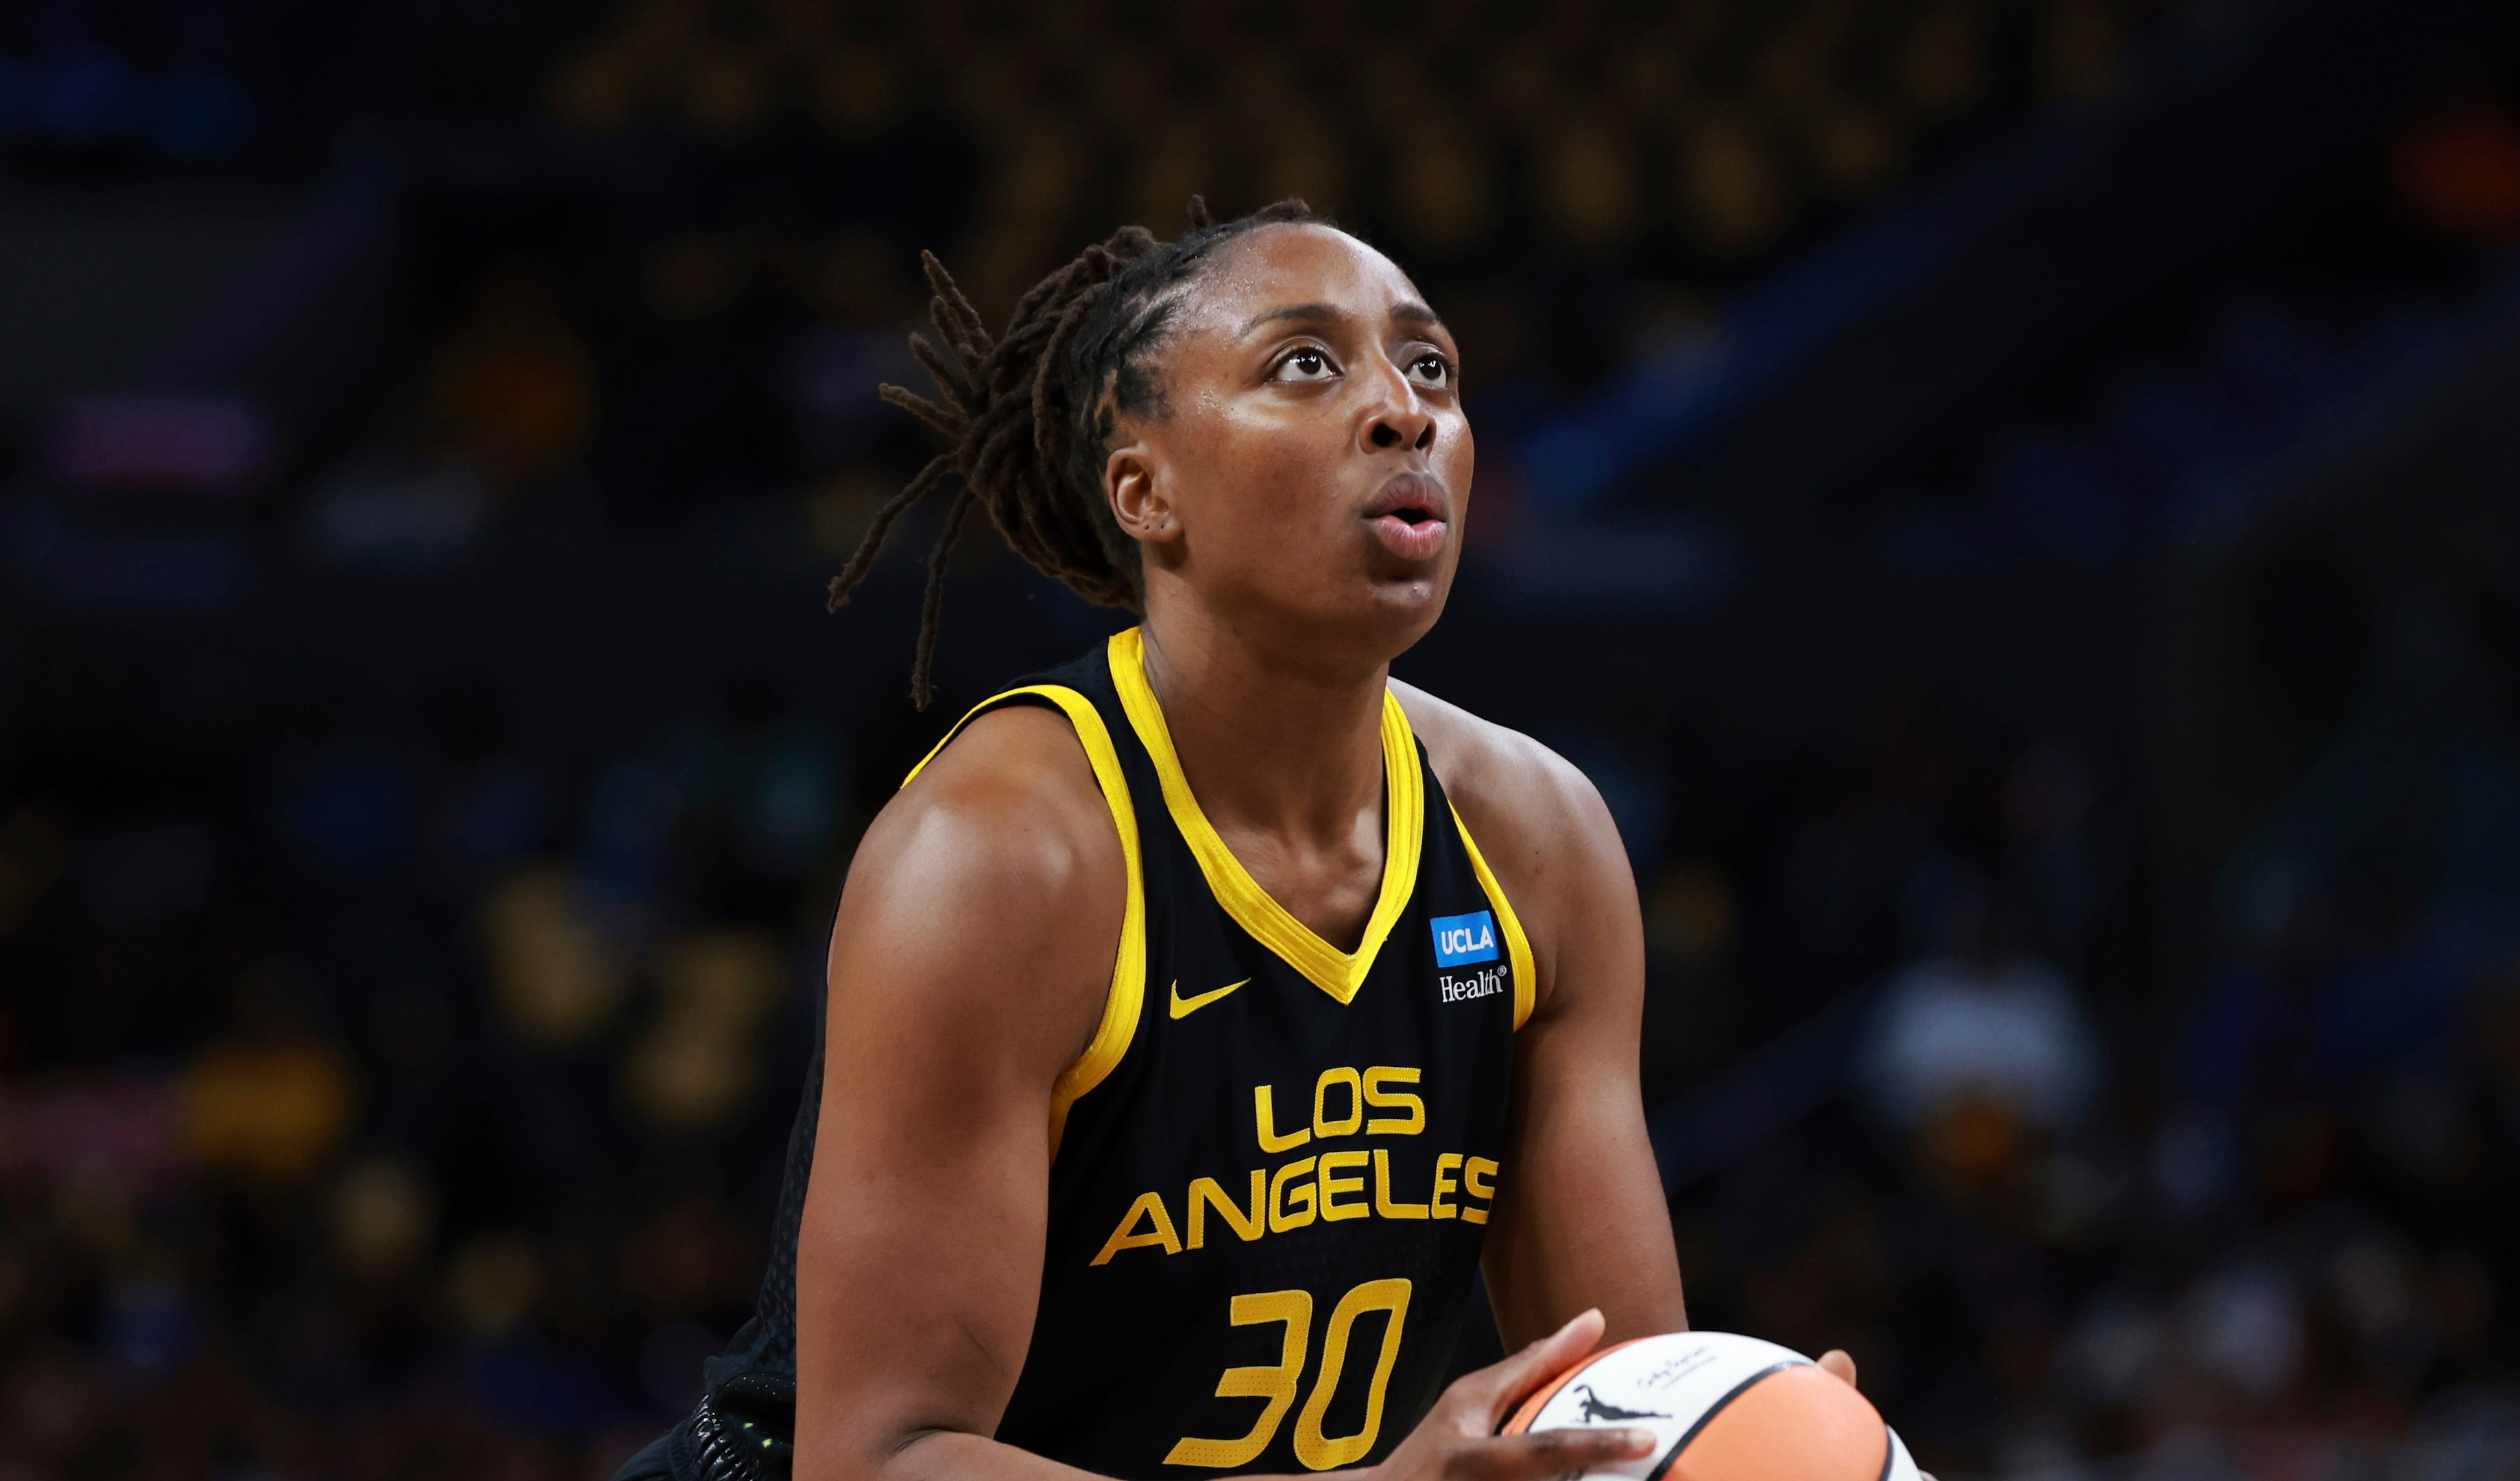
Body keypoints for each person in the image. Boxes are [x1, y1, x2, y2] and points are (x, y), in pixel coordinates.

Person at [621, 198, 1851, 1481]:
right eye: (1305, 365)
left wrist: (1740, 1431)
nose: (1404, 410)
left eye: (1429, 366)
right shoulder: (1004, 854)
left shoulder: (1540, 840)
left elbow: (1615, 1400)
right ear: (1145, 492)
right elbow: (880, 1462)